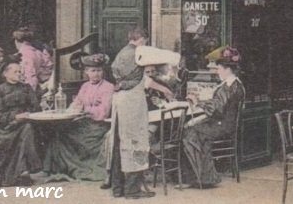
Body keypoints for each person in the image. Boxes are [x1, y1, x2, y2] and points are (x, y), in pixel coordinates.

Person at [106, 28, 175, 199]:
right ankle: (132, 190)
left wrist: (163, 89)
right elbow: (167, 60)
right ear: (142, 39)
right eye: (145, 41)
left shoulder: (121, 54)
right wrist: (167, 87)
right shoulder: (138, 53)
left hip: (120, 101)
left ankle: (118, 188)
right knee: (135, 143)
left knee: (119, 144)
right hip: (132, 103)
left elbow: (142, 80)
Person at [181, 46, 245, 188]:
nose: (217, 72)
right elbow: (218, 107)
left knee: (190, 132)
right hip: (225, 124)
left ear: (227, 69)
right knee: (194, 128)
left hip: (222, 126)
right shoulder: (236, 84)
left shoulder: (228, 87)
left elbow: (216, 109)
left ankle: (200, 178)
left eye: (218, 68)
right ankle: (205, 176)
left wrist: (197, 102)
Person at [43, 53, 114, 182]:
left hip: (98, 126)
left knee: (66, 135)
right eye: (93, 71)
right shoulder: (85, 86)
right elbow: (77, 104)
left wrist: (86, 110)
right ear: (86, 72)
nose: (96, 74)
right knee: (58, 133)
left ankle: (73, 168)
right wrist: (67, 112)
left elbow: (103, 112)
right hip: (84, 123)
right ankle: (52, 169)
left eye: (99, 70)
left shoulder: (108, 87)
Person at [0, 60, 41, 187]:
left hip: (25, 121)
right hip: (6, 127)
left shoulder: (26, 88)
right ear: (6, 74)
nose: (19, 73)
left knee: (28, 128)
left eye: (20, 71)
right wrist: (15, 116)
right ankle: (22, 171)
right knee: (27, 129)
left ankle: (24, 171)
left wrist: (26, 114)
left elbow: (36, 107)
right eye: (16, 71)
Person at [13, 27, 54, 92]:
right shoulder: (38, 52)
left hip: (38, 88)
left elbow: (30, 77)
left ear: (16, 41)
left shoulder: (25, 54)